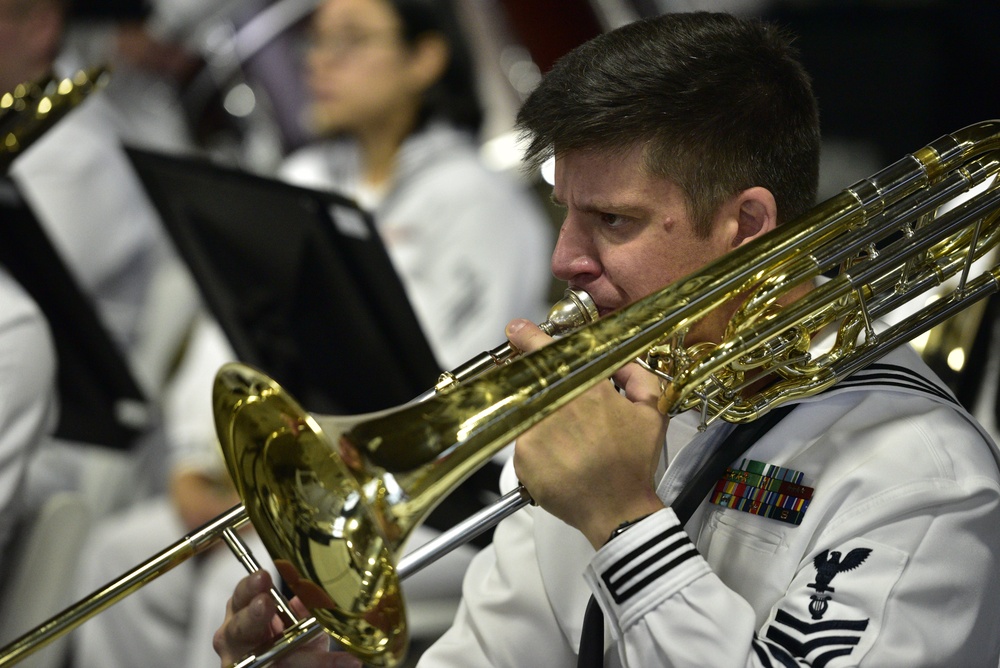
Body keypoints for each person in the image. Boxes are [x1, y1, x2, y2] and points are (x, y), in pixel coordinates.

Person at [214, 10, 1000, 668]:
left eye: (612, 220)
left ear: (747, 226)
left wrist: (624, 522)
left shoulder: (922, 480)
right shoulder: (626, 392)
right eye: (566, 209)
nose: (564, 259)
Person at [72, 1, 553, 667]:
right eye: (315, 42)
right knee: (116, 553)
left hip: (415, 505)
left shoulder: (482, 205)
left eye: (350, 41)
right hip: (273, 477)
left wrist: (282, 487)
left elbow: (449, 387)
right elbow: (227, 328)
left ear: (425, 58)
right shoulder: (302, 180)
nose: (319, 63)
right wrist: (194, 458)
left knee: (245, 584)